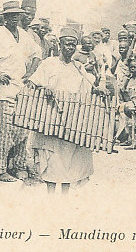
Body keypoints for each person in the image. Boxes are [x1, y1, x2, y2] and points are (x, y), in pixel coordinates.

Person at [25, 26, 100, 193]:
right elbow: (31, 84)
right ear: (60, 44)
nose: (70, 48)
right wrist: (44, 89)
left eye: (73, 45)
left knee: (69, 160)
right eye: (67, 44)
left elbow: (88, 87)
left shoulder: (78, 67)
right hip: (50, 119)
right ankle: (50, 196)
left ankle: (64, 197)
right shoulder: (48, 64)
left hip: (71, 121)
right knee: (51, 159)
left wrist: (98, 89)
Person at [0, 0, 42, 181]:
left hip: (21, 89)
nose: (14, 19)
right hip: (3, 90)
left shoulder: (24, 35)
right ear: (4, 17)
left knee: (22, 129)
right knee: (3, 131)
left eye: (17, 15)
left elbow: (37, 54)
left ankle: (19, 166)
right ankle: (0, 170)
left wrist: (31, 72)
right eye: (10, 16)